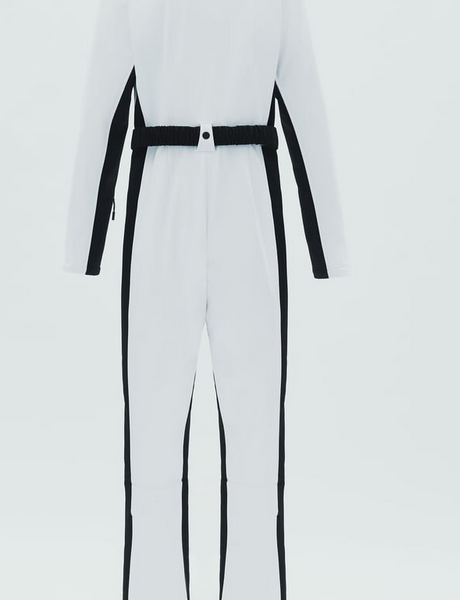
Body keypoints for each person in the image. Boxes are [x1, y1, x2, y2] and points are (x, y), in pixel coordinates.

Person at [63, 0, 349, 599]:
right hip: (162, 188)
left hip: (246, 191)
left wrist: (328, 243)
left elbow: (304, 99)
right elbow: (104, 99)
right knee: (153, 426)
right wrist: (84, 240)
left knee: (255, 427)